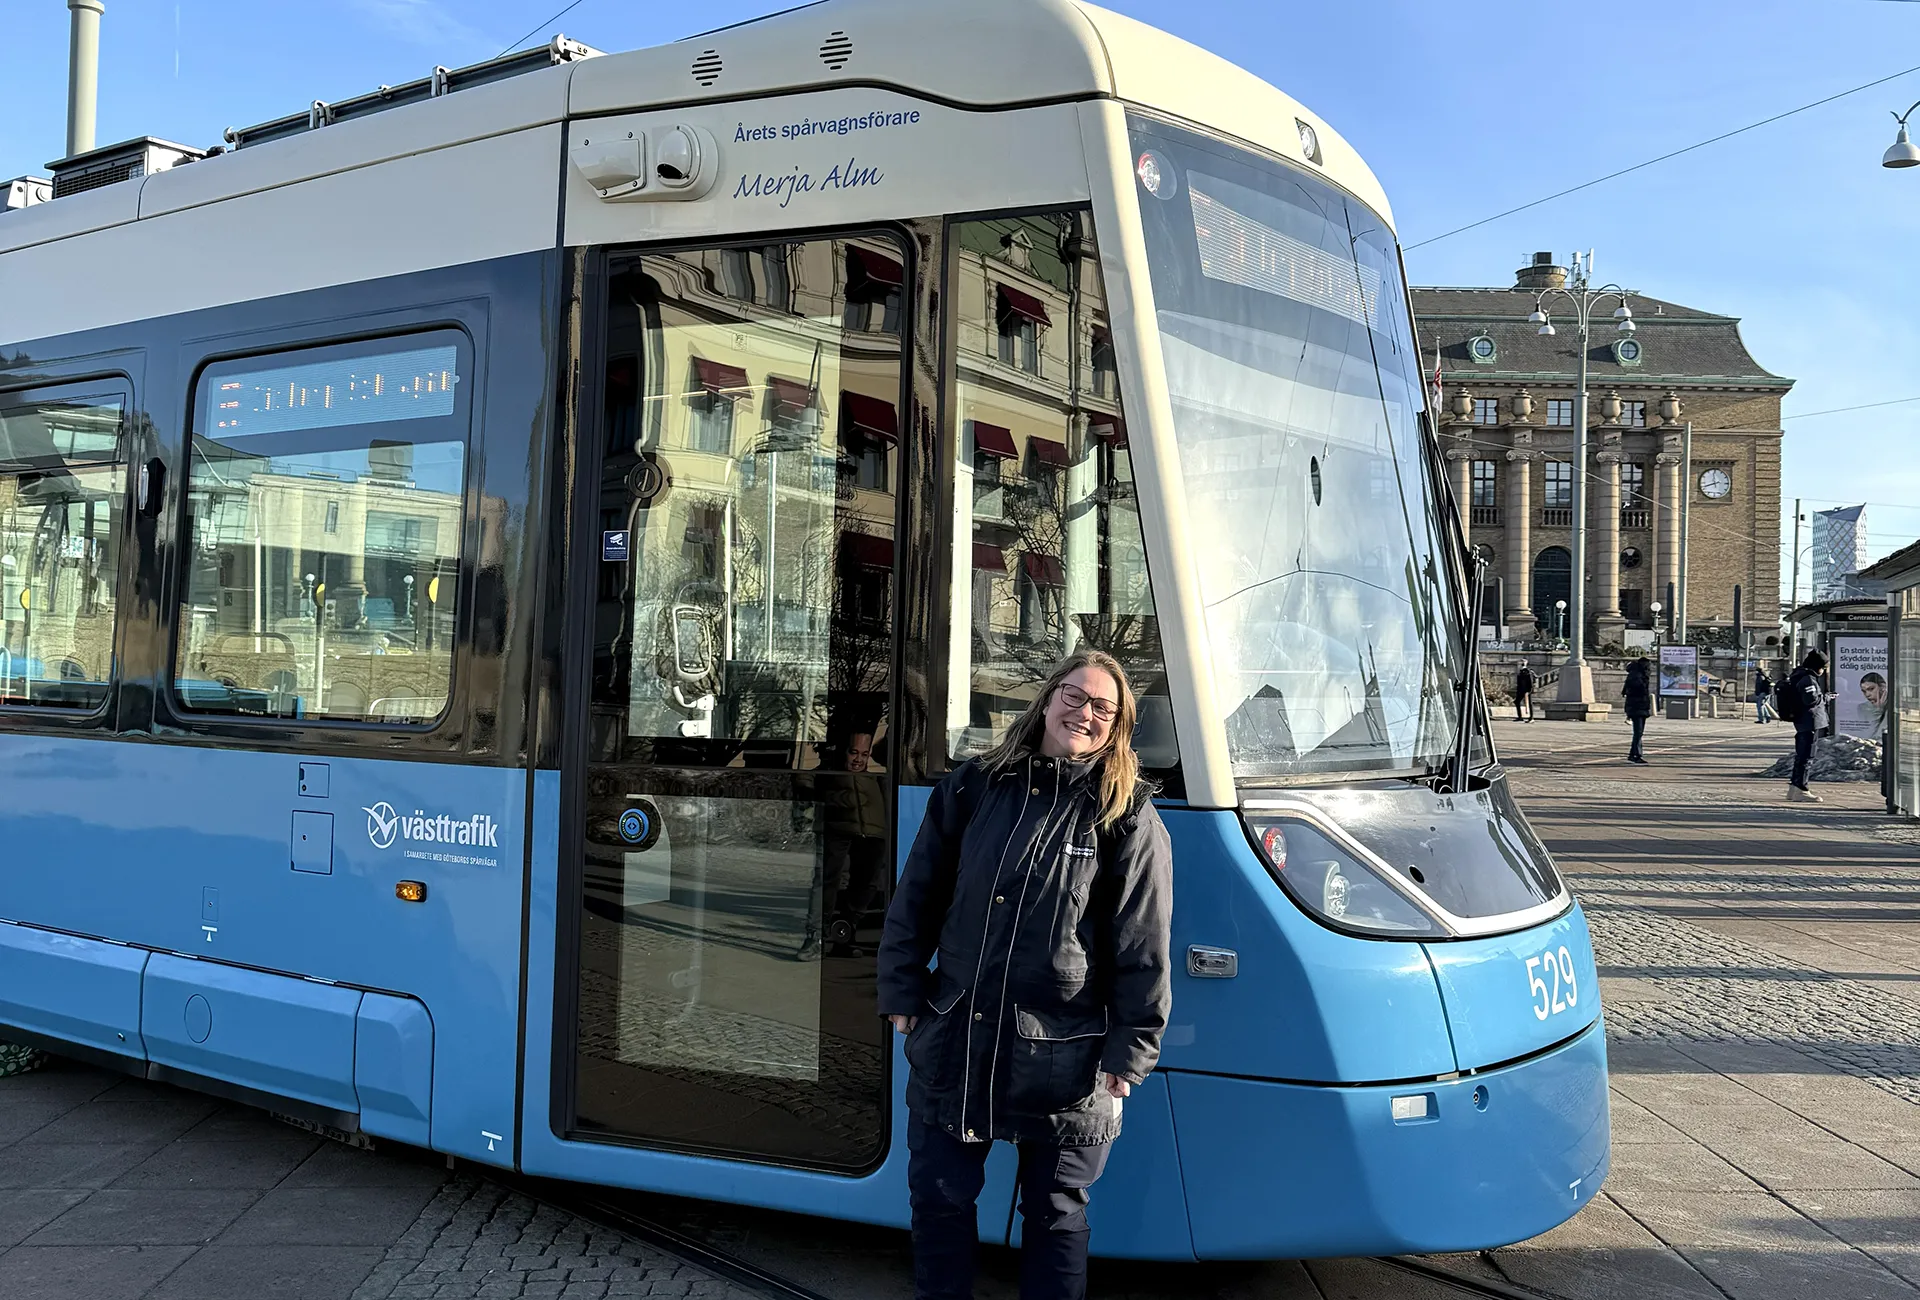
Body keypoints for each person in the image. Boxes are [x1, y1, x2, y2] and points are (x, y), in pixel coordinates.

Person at [878, 650, 1173, 1300]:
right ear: (1047, 699)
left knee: (1056, 1216)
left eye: (1103, 707)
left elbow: (1143, 946)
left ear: (1118, 725)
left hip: (1068, 1056)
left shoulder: (1126, 815)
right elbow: (918, 893)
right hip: (960, 1035)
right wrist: (901, 984)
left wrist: (1133, 1048)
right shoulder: (975, 785)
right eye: (1075, 696)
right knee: (939, 1200)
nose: (1085, 714)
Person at [1781, 649, 1828, 802]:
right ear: (1817, 666)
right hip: (1809, 721)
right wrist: (1825, 698)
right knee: (1807, 757)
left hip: (1803, 721)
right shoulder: (1807, 678)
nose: (1823, 670)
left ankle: (1794, 789)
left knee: (1802, 756)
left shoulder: (1799, 675)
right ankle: (1801, 789)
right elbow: (1810, 700)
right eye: (1823, 667)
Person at [1622, 656, 1653, 764]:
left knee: (1639, 733)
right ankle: (1636, 754)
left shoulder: (1636, 674)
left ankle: (1633, 754)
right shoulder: (1637, 676)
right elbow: (1638, 690)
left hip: (1639, 707)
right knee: (1638, 732)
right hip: (1637, 707)